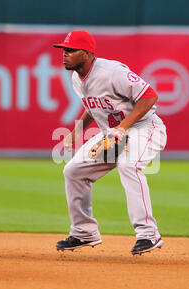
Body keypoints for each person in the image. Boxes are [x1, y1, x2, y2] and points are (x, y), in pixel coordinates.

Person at [53, 30, 167, 255]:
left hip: (144, 127)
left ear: (86, 53)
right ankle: (84, 233)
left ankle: (148, 234)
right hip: (113, 133)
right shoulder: (77, 77)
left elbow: (150, 96)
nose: (65, 55)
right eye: (64, 50)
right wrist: (76, 131)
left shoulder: (112, 72)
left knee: (128, 165)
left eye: (71, 50)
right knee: (73, 171)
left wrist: (123, 128)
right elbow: (93, 106)